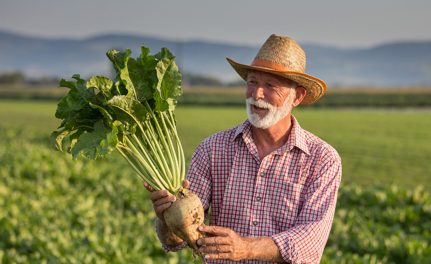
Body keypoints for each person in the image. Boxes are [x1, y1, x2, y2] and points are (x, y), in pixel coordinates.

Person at [146, 34, 342, 263]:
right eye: (252, 82)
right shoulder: (212, 150)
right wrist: (166, 219)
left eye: (270, 85)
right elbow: (177, 240)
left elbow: (309, 243)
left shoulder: (321, 159)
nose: (257, 94)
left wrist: (246, 248)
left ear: (297, 96)